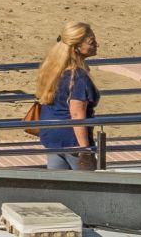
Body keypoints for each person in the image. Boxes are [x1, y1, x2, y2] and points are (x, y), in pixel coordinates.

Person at [35, 22, 101, 170]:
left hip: (51, 135)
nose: (97, 45)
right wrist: (85, 151)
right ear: (77, 47)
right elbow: (77, 114)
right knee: (87, 186)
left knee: (60, 185)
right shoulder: (78, 77)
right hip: (72, 139)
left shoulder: (52, 69)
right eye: (92, 42)